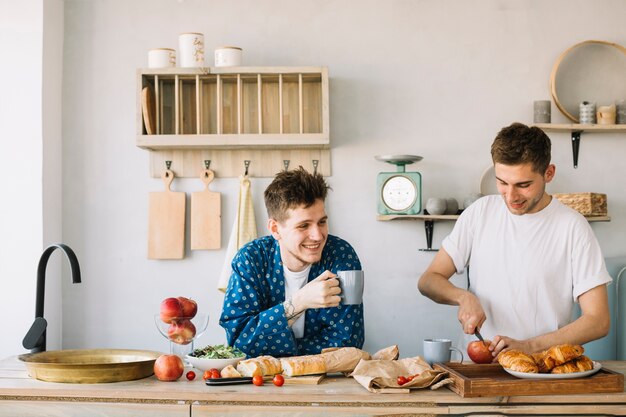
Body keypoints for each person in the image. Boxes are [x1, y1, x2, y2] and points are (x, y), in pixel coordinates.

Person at [418, 122, 611, 359]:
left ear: (548, 173)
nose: (511, 197)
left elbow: (598, 320)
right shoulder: (480, 213)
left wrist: (529, 346)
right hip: (477, 370)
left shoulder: (573, 227)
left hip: (541, 371)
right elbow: (428, 280)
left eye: (524, 185)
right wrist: (463, 297)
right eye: (502, 182)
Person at [219, 167, 364, 357]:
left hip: (328, 381)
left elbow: (348, 342)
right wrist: (299, 302)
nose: (318, 235)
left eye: (321, 222)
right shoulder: (250, 260)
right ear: (275, 229)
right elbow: (238, 343)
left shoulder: (341, 255)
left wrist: (270, 344)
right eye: (304, 225)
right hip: (261, 382)